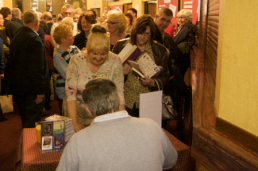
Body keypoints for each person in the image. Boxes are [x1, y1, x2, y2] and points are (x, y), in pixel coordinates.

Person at [56, 78, 178, 171]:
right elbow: (171, 161)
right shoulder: (152, 126)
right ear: (119, 99)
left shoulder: (78, 141)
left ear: (88, 109)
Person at [65, 24, 125, 132]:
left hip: (104, 115)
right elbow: (70, 94)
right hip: (76, 113)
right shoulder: (76, 60)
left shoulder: (115, 61)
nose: (98, 58)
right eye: (94, 53)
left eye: (103, 54)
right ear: (88, 50)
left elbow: (119, 93)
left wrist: (121, 121)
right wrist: (74, 123)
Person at [113, 15, 169, 117]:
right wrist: (122, 73)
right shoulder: (121, 46)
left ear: (151, 34)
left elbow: (165, 77)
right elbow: (110, 73)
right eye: (140, 33)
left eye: (147, 34)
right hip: (125, 99)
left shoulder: (159, 50)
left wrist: (152, 82)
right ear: (134, 32)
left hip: (148, 100)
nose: (143, 37)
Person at [9, 10, 48, 128]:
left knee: (25, 119)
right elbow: (36, 68)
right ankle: (29, 145)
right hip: (32, 89)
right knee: (32, 122)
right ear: (37, 22)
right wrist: (40, 91)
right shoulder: (34, 39)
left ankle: (25, 143)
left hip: (20, 86)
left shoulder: (17, 35)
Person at [53, 23, 80, 115]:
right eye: (70, 35)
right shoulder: (58, 56)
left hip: (78, 89)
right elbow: (67, 74)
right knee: (66, 114)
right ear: (63, 40)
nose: (73, 37)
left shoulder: (75, 48)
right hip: (65, 91)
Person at [174, 9, 198, 76]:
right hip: (187, 55)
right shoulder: (190, 26)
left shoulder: (186, 27)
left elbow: (176, 40)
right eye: (178, 17)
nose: (180, 20)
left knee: (179, 76)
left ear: (188, 18)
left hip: (183, 56)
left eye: (182, 17)